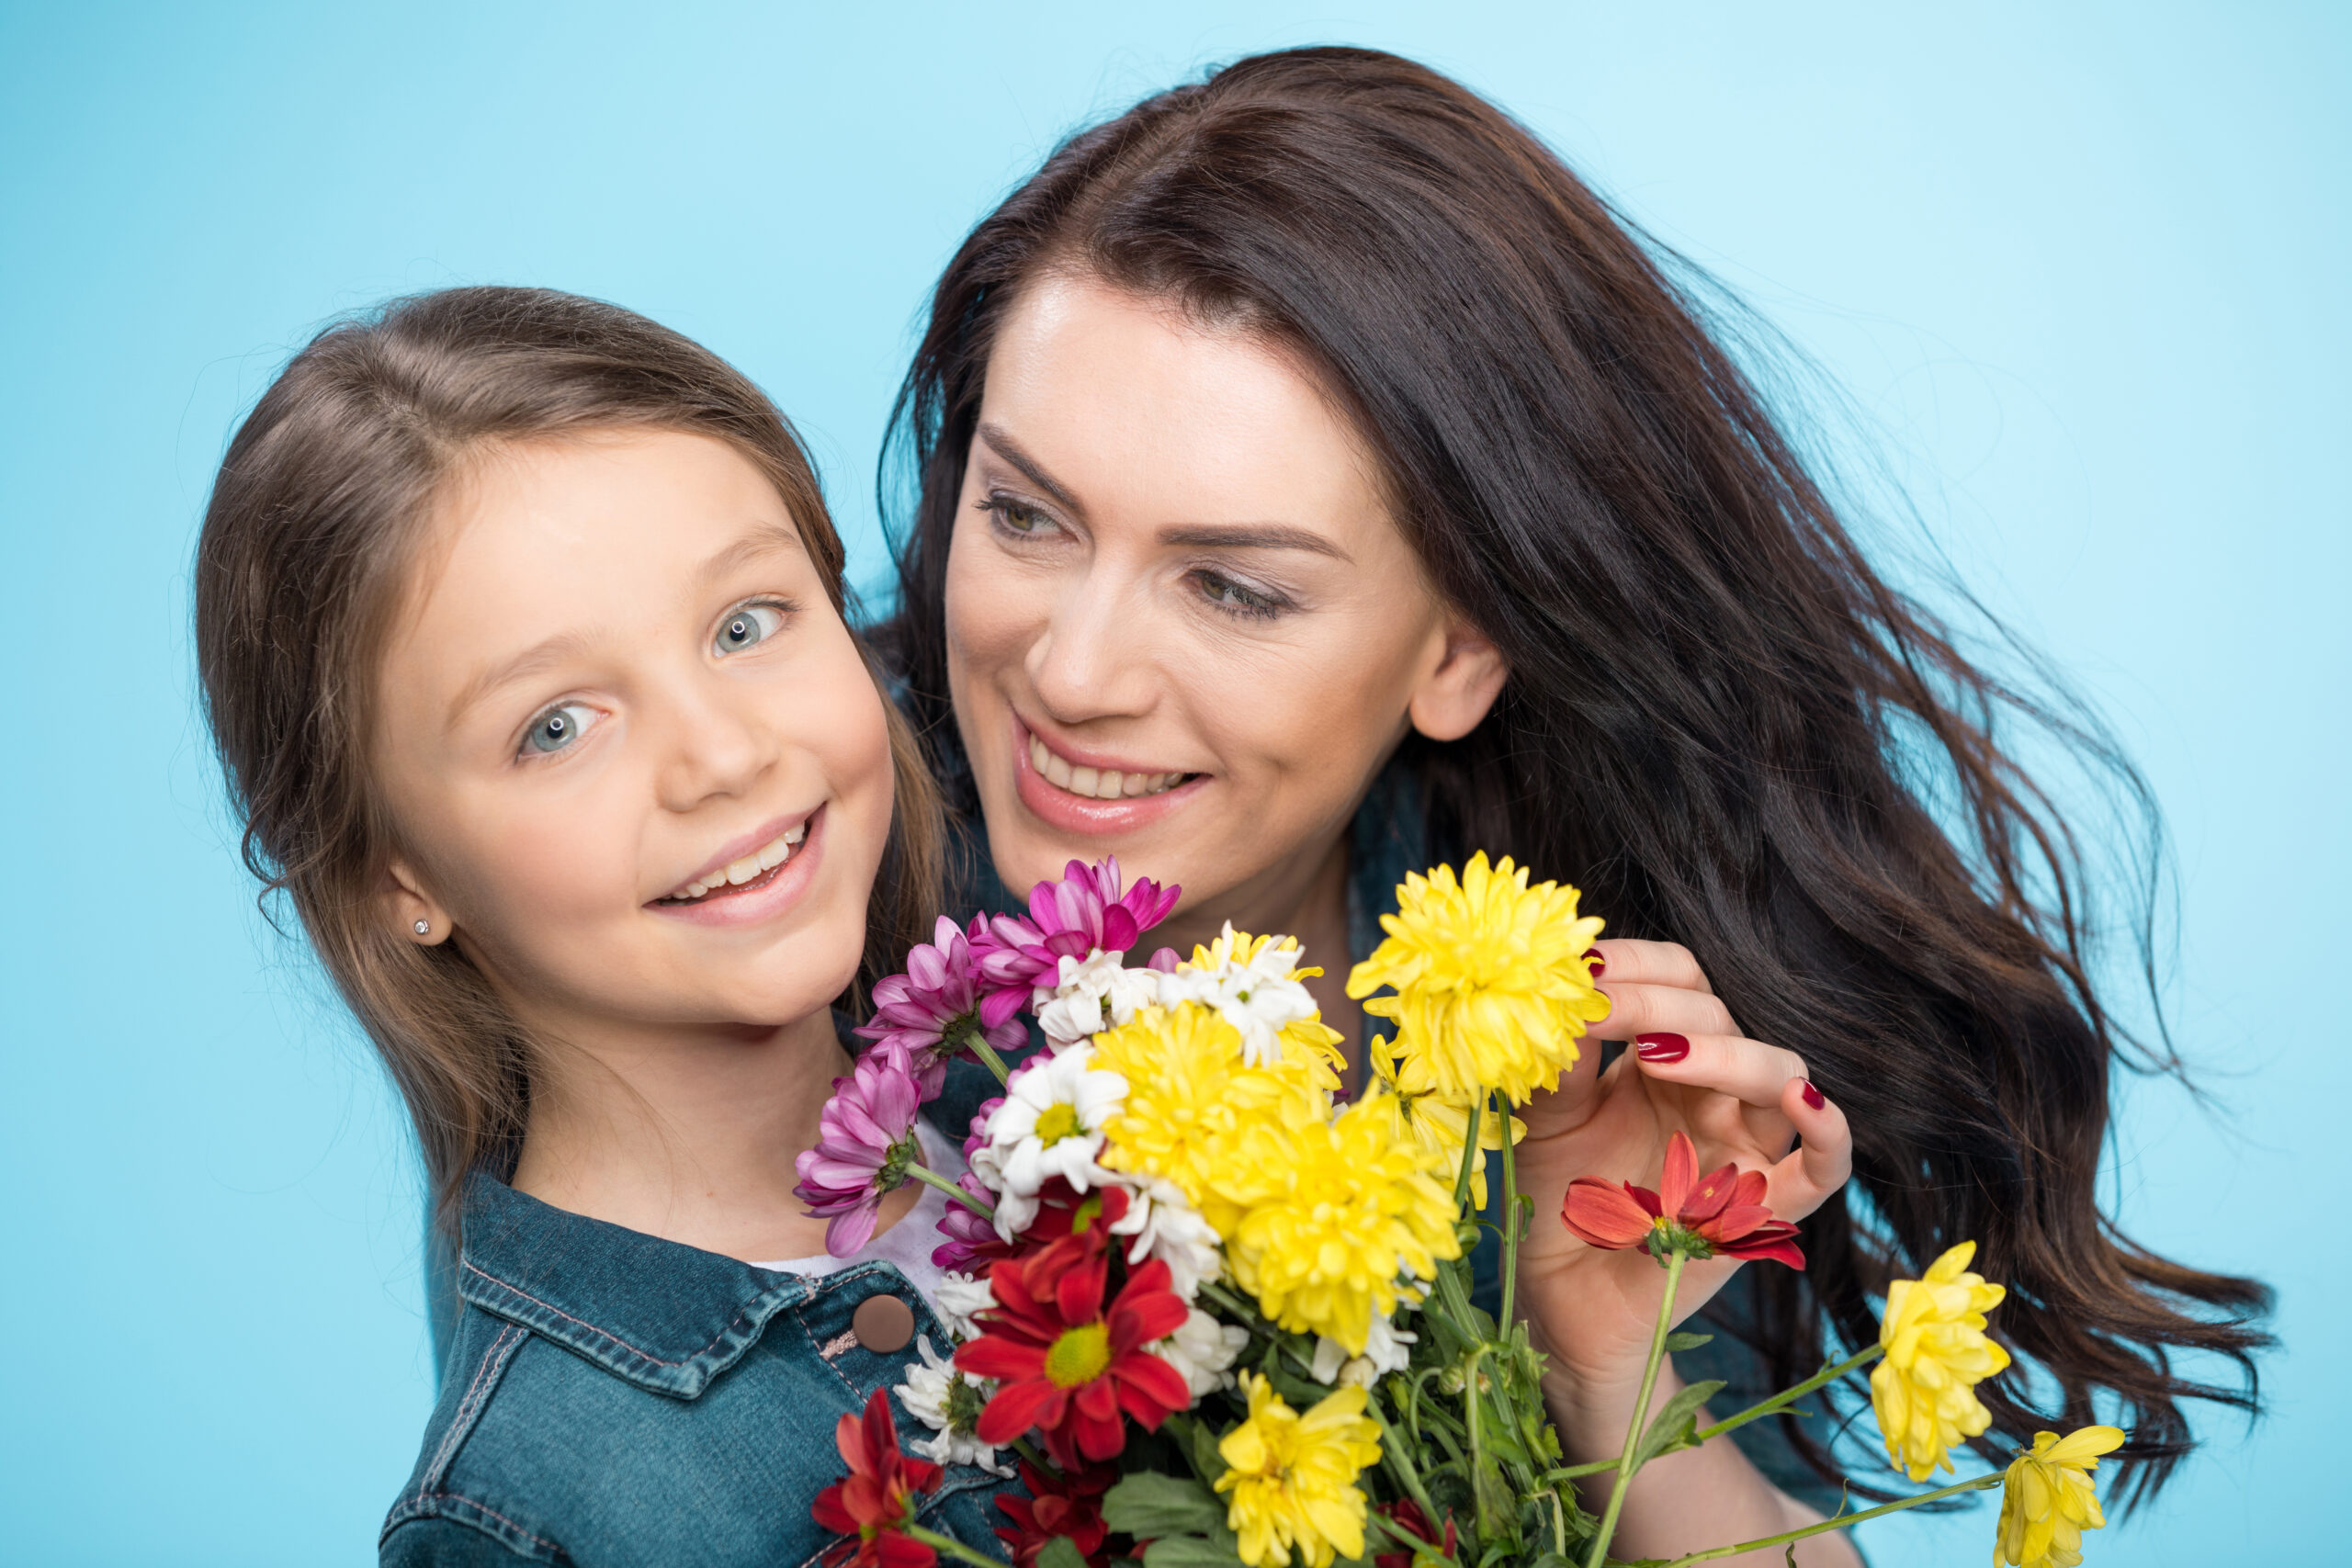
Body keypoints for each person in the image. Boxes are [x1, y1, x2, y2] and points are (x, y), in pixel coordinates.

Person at [876, 46, 2270, 1564]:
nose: (1070, 673)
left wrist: (1609, 1364)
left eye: (1232, 587)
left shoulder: (1563, 1033)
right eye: (1023, 514)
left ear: (1463, 647)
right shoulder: (793, 947)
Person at [195, 287, 1000, 1564]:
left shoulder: (1053, 1084)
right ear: (395, 877)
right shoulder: (527, 1514)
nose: (723, 756)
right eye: (556, 726)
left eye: (745, 625)